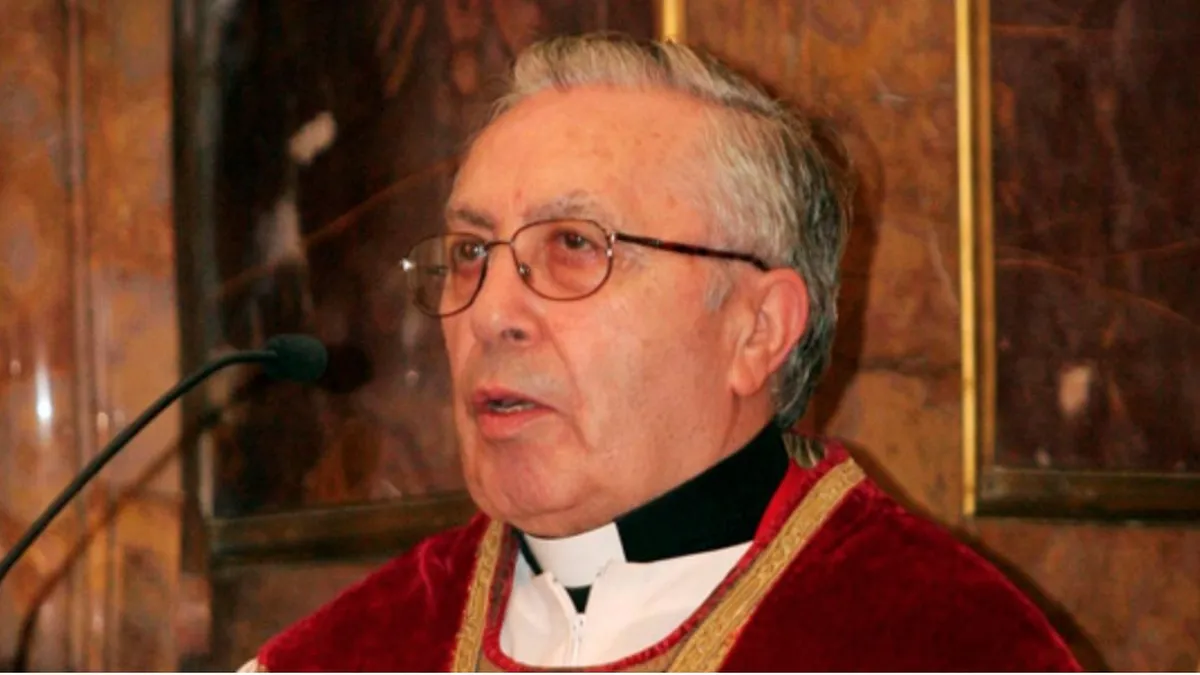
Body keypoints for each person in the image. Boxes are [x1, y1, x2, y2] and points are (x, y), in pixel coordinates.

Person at [240, 33, 1080, 672]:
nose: (489, 312)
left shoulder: (947, 643)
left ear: (757, 329)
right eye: (469, 252)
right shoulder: (342, 654)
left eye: (574, 244)